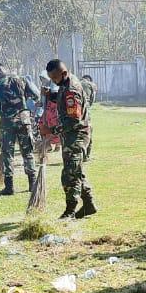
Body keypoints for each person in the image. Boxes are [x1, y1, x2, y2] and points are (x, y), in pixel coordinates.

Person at [46, 59, 97, 219]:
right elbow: (61, 97)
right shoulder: (65, 85)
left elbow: (73, 120)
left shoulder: (71, 91)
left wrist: (52, 130)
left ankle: (70, 211)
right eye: (51, 79)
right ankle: (89, 204)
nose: (54, 82)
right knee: (77, 171)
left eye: (55, 78)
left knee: (69, 175)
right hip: (72, 136)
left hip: (77, 136)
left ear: (64, 73)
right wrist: (51, 95)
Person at [0, 61, 38, 195]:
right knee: (27, 152)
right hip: (24, 120)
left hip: (7, 123)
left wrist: (6, 113)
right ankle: (32, 184)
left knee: (7, 154)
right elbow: (35, 95)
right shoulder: (21, 79)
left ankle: (9, 187)